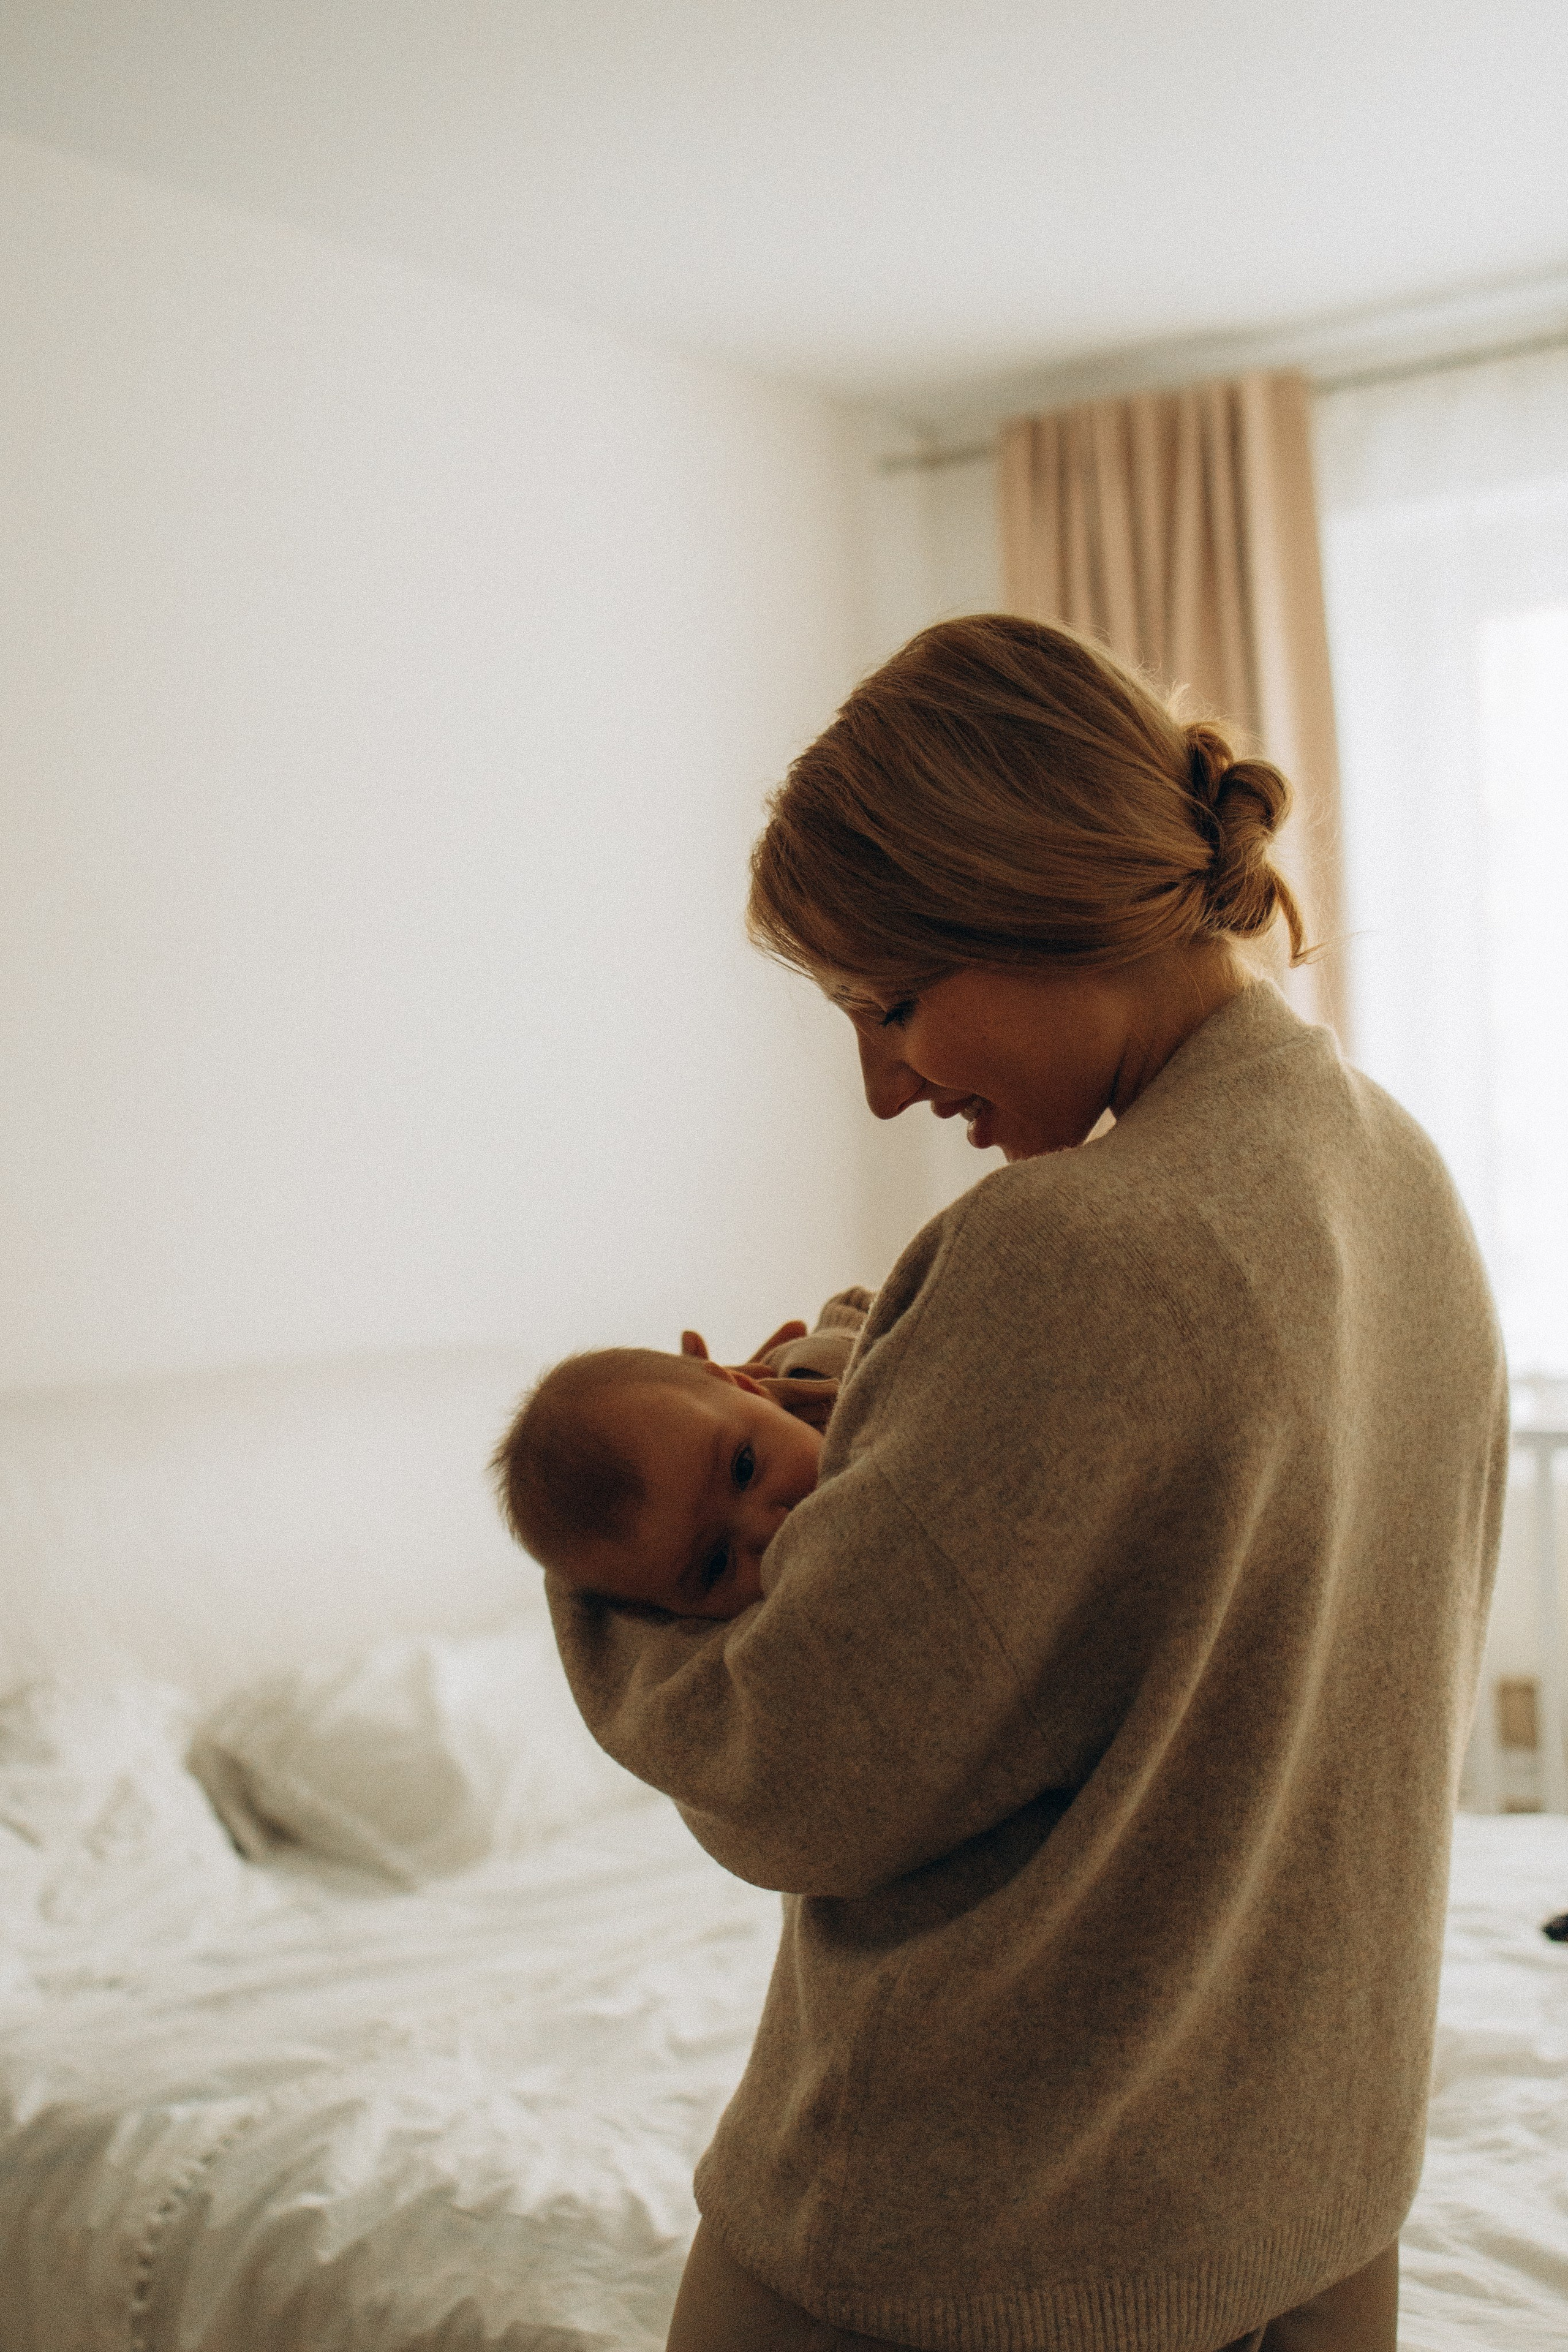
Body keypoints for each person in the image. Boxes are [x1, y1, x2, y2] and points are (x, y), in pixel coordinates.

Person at [545, 616, 1509, 2352]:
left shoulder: (1070, 1250)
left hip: (985, 2240)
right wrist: (877, 1396)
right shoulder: (1402, 1178)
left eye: (893, 1004)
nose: (886, 1084)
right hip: (1309, 2196)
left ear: (1034, 900)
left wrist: (616, 1535)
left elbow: (797, 1775)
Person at [492, 1296, 869, 1618]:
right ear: (668, 1615)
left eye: (745, 1468)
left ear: (747, 1385)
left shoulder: (848, 1369)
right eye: (716, 1564)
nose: (768, 1530)